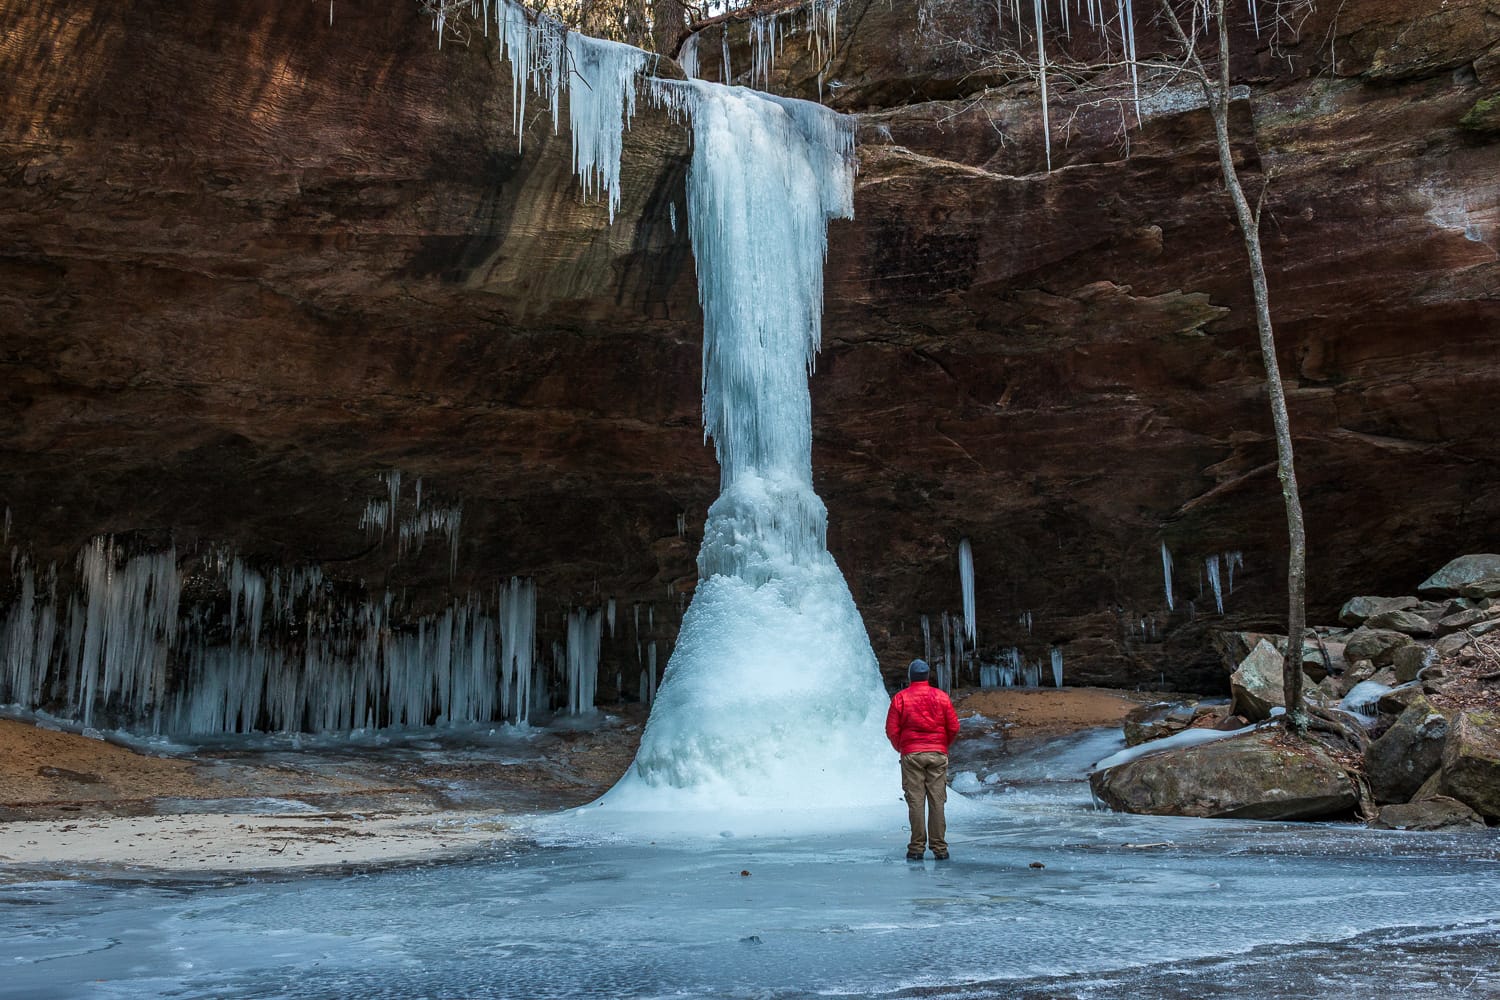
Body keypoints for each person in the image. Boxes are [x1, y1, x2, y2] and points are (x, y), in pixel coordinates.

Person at [885, 658, 960, 861]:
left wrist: (902, 747)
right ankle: (940, 848)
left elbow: (891, 729)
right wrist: (942, 745)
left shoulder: (901, 698)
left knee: (916, 801)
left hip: (911, 754)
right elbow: (953, 726)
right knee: (937, 801)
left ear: (910, 676)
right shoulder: (941, 697)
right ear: (927, 676)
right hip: (937, 753)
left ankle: (916, 848)